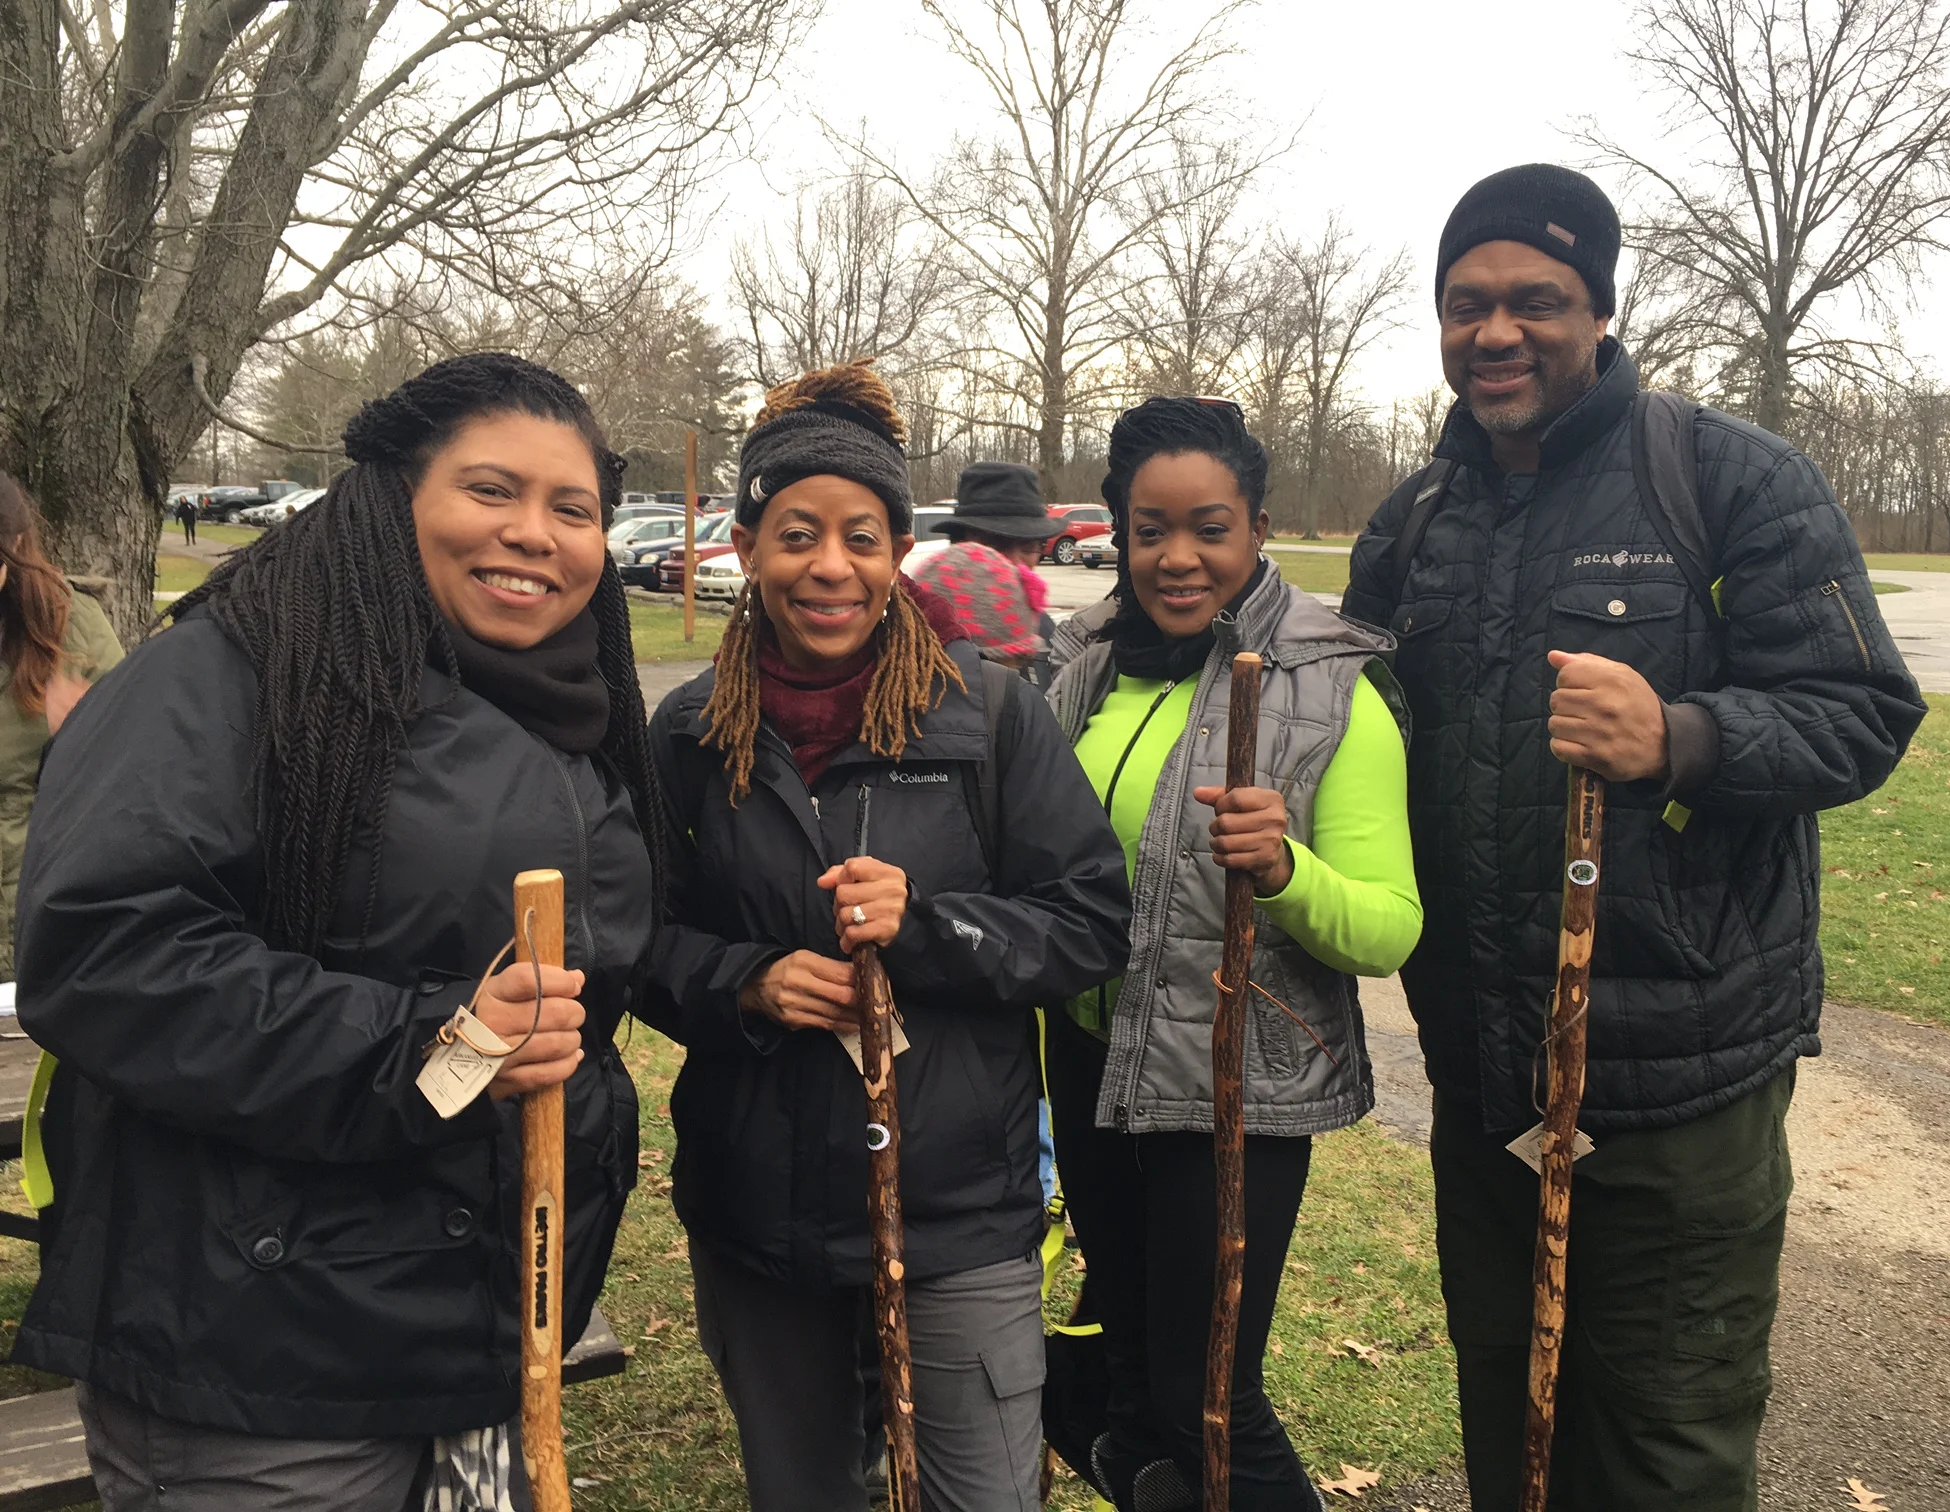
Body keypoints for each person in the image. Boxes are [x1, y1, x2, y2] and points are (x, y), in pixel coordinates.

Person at [1341, 165, 1926, 1512]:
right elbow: (1346, 720)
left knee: (1665, 1435)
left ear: (1600, 309)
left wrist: (1684, 736)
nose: (1496, 333)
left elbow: (1862, 713)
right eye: (1465, 304)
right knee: (1511, 1411)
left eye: (1535, 300)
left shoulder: (1724, 477)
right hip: (1487, 1073)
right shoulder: (1418, 520)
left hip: (1680, 1085)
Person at [13, 353, 666, 1510]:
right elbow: (108, 952)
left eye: (573, 510)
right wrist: (441, 1048)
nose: (534, 533)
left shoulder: (568, 710)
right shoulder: (229, 673)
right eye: (489, 490)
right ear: (390, 495)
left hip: (475, 1327)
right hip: (259, 1353)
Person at [642, 361, 1132, 1512]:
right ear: (748, 546)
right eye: (797, 533)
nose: (830, 566)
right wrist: (747, 981)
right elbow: (639, 943)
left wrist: (929, 927)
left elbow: (1089, 922)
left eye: (862, 537)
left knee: (981, 1498)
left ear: (895, 551)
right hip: (758, 1211)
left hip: (958, 1208)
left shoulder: (990, 712)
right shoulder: (688, 734)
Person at [1046, 396, 1423, 1512]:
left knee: (1205, 1390)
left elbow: (1391, 925)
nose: (1176, 557)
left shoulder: (1327, 689)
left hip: (1232, 1088)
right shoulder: (1087, 667)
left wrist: (1286, 869)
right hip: (1093, 1063)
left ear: (1256, 525)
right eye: (1148, 528)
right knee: (1120, 1371)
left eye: (1209, 527)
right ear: (1117, 529)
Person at [0, 475, 124, 981]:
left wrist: (82, 744)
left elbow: (140, 781)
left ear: (16, 544)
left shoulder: (69, 626)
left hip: (39, 930)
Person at [930, 461, 1059, 684]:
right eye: (996, 546)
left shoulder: (1045, 630)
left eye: (1028, 547)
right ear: (960, 546)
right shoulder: (920, 632)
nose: (1013, 562)